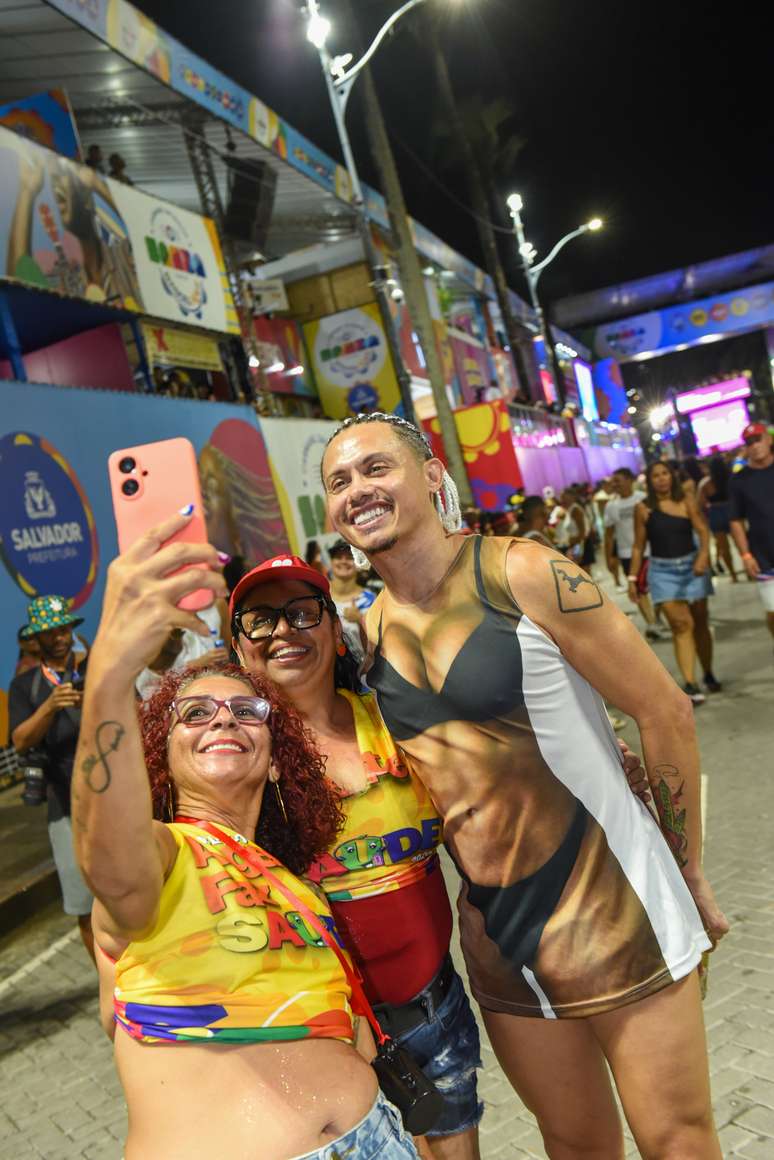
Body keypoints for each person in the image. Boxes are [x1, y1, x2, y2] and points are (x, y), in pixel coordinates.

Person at [320, 411, 728, 1160]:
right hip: (501, 939)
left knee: (675, 1139)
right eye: (339, 481)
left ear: (432, 475)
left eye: (377, 468)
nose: (358, 490)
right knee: (573, 1143)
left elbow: (664, 710)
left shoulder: (524, 572)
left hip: (617, 901)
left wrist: (687, 870)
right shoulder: (367, 635)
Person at [72, 512, 419, 1160]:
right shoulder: (163, 858)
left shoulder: (299, 889)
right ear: (160, 757)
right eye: (195, 713)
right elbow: (108, 854)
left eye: (246, 711)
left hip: (378, 1138)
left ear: (278, 758)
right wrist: (110, 674)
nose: (222, 720)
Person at [231, 554, 516, 1159]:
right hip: (321, 1033)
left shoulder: (395, 721)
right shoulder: (234, 762)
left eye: (302, 613)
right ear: (239, 649)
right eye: (260, 619)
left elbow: (494, 785)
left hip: (432, 1006)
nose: (282, 630)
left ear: (337, 631)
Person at [9, 596, 94, 959]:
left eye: (63, 629)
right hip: (65, 805)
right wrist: (50, 706)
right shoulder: (25, 686)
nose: (59, 637)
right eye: (50, 632)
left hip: (114, 799)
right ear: (36, 638)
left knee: (139, 885)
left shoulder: (95, 668)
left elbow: (134, 711)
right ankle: (109, 983)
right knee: (84, 904)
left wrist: (92, 703)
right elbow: (19, 740)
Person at [629, 461, 721, 702]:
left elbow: (703, 531)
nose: (661, 479)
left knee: (700, 623)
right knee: (681, 624)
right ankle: (690, 683)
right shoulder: (643, 508)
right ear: (649, 481)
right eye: (656, 475)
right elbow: (638, 546)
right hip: (663, 572)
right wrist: (632, 578)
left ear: (672, 476)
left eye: (665, 474)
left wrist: (703, 556)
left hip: (692, 568)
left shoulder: (686, 501)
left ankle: (708, 672)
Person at [604, 468, 664, 642]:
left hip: (651, 550)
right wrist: (609, 558)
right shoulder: (611, 506)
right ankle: (652, 624)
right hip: (627, 554)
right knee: (638, 590)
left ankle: (657, 616)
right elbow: (609, 535)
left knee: (658, 587)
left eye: (618, 480)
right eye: (613, 481)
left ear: (629, 480)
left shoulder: (643, 498)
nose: (615, 484)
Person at [729, 422, 774, 639]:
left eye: (758, 439)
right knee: (773, 612)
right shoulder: (739, 480)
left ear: (769, 439)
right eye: (749, 442)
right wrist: (746, 555)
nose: (755, 446)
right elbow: (735, 520)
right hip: (764, 556)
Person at [328, 538, 377, 662]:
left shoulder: (369, 599)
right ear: (331, 562)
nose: (343, 561)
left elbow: (380, 644)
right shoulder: (322, 596)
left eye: (349, 557)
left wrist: (360, 620)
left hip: (364, 669)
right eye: (338, 557)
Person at [698, 454, 738, 580]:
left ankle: (733, 575)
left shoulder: (706, 483)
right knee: (740, 543)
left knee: (724, 547)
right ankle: (749, 572)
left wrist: (705, 519)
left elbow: (701, 504)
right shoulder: (731, 479)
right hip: (732, 511)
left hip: (716, 513)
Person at [550, 486, 587, 562]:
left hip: (580, 544)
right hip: (575, 545)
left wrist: (576, 548)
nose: (562, 500)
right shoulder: (568, 510)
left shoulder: (575, 510)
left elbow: (582, 533)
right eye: (561, 497)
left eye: (564, 498)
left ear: (571, 498)